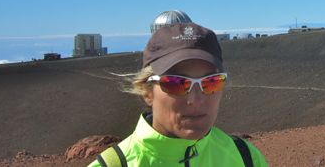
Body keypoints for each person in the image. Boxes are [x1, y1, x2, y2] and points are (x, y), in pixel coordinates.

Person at [91, 22, 267, 167]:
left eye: (211, 82)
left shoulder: (246, 158)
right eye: (176, 83)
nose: (196, 100)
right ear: (147, 92)